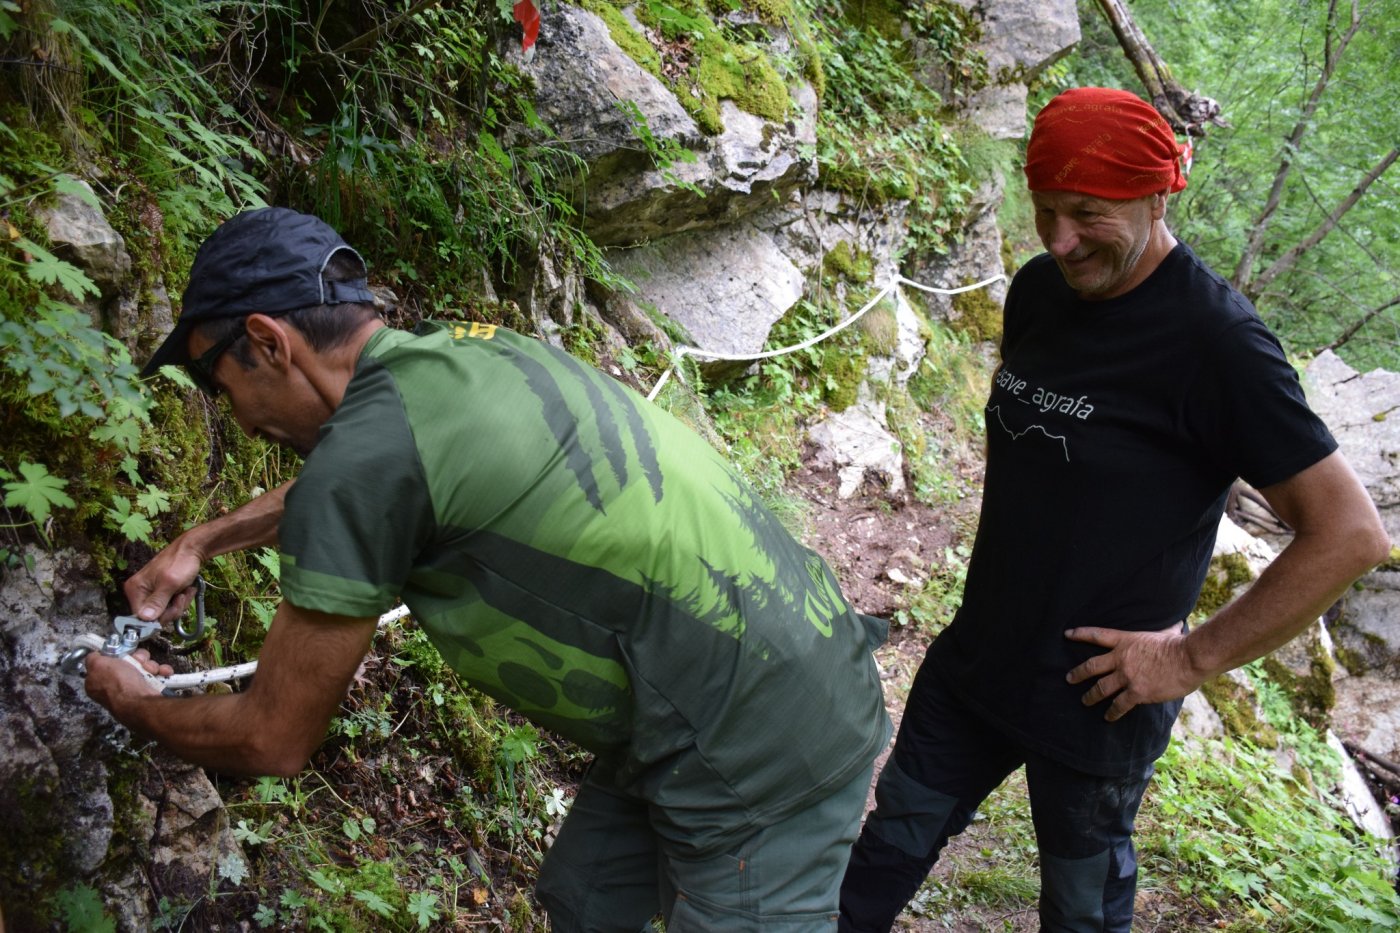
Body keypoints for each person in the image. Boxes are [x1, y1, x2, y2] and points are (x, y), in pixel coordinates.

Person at [84, 206, 892, 932]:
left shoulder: (367, 461)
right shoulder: (455, 357)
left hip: (760, 750)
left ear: (267, 341)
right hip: (760, 665)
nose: (231, 411)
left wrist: (138, 703)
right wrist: (203, 542)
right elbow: (381, 478)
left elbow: (272, 737)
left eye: (213, 378)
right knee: (584, 902)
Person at [838, 87, 1390, 932]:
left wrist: (1190, 659)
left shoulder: (1218, 344)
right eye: (1045, 209)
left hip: (1101, 704)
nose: (1060, 238)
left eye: (1087, 213)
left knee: (1082, 913)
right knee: (875, 866)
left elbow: (1350, 533)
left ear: (1156, 194)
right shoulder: (1037, 291)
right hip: (976, 662)